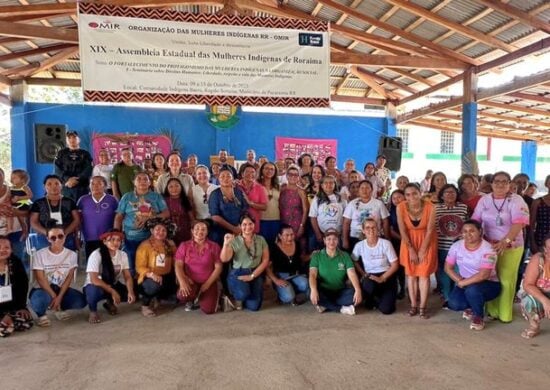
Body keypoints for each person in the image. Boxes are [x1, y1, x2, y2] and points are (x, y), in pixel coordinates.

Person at [472, 171, 529, 323]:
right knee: (491, 278)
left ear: (510, 184)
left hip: (512, 246)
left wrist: (506, 241)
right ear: (491, 183)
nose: (500, 184)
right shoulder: (484, 200)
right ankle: (492, 311)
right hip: (489, 246)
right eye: (497, 181)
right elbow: (476, 221)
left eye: (505, 181)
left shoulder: (517, 200)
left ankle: (504, 313)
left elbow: (519, 223)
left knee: (506, 280)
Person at [445, 220, 501, 331]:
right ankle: (471, 305)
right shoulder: (456, 246)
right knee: (454, 304)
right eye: (464, 231)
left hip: (489, 284)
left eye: (472, 231)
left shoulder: (489, 249)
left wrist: (463, 283)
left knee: (473, 290)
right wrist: (460, 280)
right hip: (465, 282)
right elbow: (448, 268)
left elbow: (483, 275)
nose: (468, 234)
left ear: (480, 231)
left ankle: (478, 316)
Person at [29, 222, 86, 327]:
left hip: (59, 287)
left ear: (65, 236)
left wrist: (60, 296)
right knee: (39, 300)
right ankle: (41, 315)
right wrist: (55, 296)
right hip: (43, 288)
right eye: (53, 237)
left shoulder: (72, 255)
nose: (57, 240)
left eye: (60, 236)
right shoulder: (39, 254)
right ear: (48, 239)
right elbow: (41, 279)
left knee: (80, 301)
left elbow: (69, 278)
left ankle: (59, 308)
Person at [114, 172, 169, 274]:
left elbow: (166, 213)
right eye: (139, 179)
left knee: (150, 266)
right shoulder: (127, 197)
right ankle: (133, 287)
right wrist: (117, 233)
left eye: (145, 179)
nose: (142, 181)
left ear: (149, 183)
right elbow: (119, 216)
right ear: (134, 182)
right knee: (130, 268)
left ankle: (148, 286)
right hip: (130, 238)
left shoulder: (156, 197)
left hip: (151, 238)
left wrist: (151, 217)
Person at [397, 183, 437, 319]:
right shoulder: (401, 207)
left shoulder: (430, 207)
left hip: (427, 240)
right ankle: (413, 305)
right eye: (407, 194)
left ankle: (422, 307)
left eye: (414, 193)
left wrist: (422, 250)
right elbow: (402, 230)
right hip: (408, 242)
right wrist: (412, 250)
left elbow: (431, 230)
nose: (411, 197)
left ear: (420, 193)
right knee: (411, 275)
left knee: (424, 275)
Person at [83, 229, 135, 324]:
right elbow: (94, 279)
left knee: (132, 293)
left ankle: (109, 302)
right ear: (104, 241)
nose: (115, 242)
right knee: (93, 293)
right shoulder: (96, 254)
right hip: (96, 285)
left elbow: (127, 276)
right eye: (112, 239)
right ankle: (93, 311)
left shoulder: (123, 255)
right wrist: (112, 291)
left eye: (118, 240)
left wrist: (130, 292)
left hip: (112, 283)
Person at [220, 214, 270, 311]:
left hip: (255, 272)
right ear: (240, 226)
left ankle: (246, 294)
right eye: (244, 224)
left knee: (254, 307)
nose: (248, 227)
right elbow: (224, 259)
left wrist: (252, 276)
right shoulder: (234, 240)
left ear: (254, 225)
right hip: (238, 272)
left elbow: (265, 260)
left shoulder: (261, 239)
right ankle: (238, 295)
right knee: (243, 294)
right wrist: (226, 244)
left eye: (250, 224)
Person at [352, 219, 399, 314]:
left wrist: (382, 277)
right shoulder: (359, 245)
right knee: (368, 284)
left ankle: (382, 298)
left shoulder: (386, 244)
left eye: (374, 227)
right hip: (370, 276)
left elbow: (395, 264)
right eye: (367, 228)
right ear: (363, 230)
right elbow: (354, 260)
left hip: (386, 275)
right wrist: (363, 273)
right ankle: (371, 298)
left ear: (378, 229)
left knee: (386, 310)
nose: (371, 230)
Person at [309, 229, 362, 315]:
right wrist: (314, 290)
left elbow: (351, 273)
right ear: (324, 240)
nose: (332, 242)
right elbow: (312, 275)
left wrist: (357, 289)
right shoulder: (316, 256)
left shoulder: (345, 255)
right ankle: (341, 308)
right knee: (312, 292)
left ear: (338, 240)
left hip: (340, 290)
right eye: (329, 239)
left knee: (354, 295)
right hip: (324, 290)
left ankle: (327, 305)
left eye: (334, 239)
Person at [175, 220, 222, 314]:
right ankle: (192, 299)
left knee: (209, 310)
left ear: (207, 232)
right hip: (190, 281)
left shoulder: (214, 246)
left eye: (203, 229)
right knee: (182, 296)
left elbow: (218, 267)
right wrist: (182, 281)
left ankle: (211, 294)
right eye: (197, 228)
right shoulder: (184, 245)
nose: (200, 231)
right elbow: (178, 265)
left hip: (208, 281)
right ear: (192, 231)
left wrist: (207, 284)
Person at [136, 218, 177, 317]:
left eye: (164, 230)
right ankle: (145, 305)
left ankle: (158, 298)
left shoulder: (171, 244)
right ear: (152, 231)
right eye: (158, 229)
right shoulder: (144, 245)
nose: (161, 232)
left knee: (178, 295)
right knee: (153, 286)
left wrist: (179, 276)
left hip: (166, 276)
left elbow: (176, 261)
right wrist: (151, 274)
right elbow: (139, 267)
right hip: (149, 278)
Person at [435, 184, 468, 305]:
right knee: (443, 272)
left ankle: (456, 295)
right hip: (441, 246)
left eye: (453, 192)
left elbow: (468, 224)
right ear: (442, 196)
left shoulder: (463, 207)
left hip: (459, 247)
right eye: (447, 192)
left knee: (458, 271)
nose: (450, 194)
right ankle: (447, 295)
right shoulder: (436, 208)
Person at [30, 175, 80, 250]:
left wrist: (64, 234)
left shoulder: (69, 201)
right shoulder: (38, 203)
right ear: (44, 187)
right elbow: (33, 222)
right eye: (49, 184)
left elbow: (76, 220)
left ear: (61, 186)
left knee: (66, 260)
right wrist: (47, 233)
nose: (53, 187)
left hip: (66, 238)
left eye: (57, 184)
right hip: (45, 238)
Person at [266, 224, 309, 305]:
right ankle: (283, 293)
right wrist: (276, 280)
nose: (290, 237)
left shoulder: (297, 243)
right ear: (280, 236)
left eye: (292, 234)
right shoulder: (273, 247)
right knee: (288, 297)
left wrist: (311, 256)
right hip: (281, 277)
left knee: (305, 284)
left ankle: (292, 290)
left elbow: (301, 258)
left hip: (295, 275)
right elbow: (267, 267)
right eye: (286, 235)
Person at [342, 180, 390, 253]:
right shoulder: (352, 204)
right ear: (359, 190)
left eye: (367, 188)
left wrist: (387, 238)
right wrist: (345, 239)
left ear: (371, 190)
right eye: (362, 188)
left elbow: (385, 222)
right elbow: (346, 222)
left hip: (374, 237)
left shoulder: (379, 204)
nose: (365, 190)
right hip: (355, 238)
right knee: (356, 261)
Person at [0, 236, 33, 337]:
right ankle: (5, 323)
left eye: (6, 247)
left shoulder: (15, 262)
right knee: (5, 330)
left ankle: (6, 322)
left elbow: (23, 286)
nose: (2, 250)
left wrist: (22, 307)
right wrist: (2, 315)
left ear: (11, 250)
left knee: (26, 322)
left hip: (12, 306)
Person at [77, 176, 118, 258]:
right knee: (92, 265)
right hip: (89, 238)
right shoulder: (83, 200)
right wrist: (78, 237)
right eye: (92, 183)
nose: (95, 186)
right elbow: (78, 220)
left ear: (105, 186)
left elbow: (118, 218)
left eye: (99, 183)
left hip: (108, 239)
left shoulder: (112, 200)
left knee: (107, 265)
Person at [518, 234, 550, 339]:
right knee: (528, 300)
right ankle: (534, 325)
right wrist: (545, 301)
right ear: (545, 249)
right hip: (540, 294)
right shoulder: (538, 259)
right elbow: (528, 285)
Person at [208, 168, 248, 245]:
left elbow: (244, 210)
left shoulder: (238, 192)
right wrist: (233, 229)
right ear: (218, 179)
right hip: (220, 231)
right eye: (222, 176)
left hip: (240, 228)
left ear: (232, 178)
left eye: (228, 176)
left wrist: (241, 226)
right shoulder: (215, 194)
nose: (225, 178)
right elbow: (215, 216)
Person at [54, 130, 93, 202]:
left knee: (80, 210)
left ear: (79, 139)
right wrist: (68, 179)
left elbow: (88, 169)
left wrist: (77, 179)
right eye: (69, 138)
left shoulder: (85, 154)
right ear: (66, 140)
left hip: (81, 187)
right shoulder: (61, 153)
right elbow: (57, 169)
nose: (72, 140)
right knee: (66, 209)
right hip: (66, 187)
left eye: (74, 137)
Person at [309, 175, 347, 249]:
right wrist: (318, 234)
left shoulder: (341, 198)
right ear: (322, 185)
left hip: (338, 234)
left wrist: (342, 233)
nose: (328, 185)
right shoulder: (317, 199)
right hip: (322, 234)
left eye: (331, 183)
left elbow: (346, 217)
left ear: (335, 184)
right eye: (326, 183)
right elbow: (313, 217)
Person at [279, 165, 308, 249]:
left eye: (296, 175)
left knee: (297, 246)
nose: (293, 177)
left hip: (297, 223)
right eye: (290, 174)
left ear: (298, 177)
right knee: (283, 245)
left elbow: (305, 210)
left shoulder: (301, 191)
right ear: (287, 176)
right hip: (283, 221)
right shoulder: (282, 188)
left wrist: (302, 226)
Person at [236, 163, 267, 232]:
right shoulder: (236, 186)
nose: (250, 174)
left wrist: (250, 203)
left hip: (253, 224)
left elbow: (264, 207)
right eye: (247, 171)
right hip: (236, 224)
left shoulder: (260, 188)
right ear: (242, 174)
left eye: (253, 172)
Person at [163, 178, 193, 246]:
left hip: (185, 232)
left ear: (181, 187)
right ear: (167, 188)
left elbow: (192, 218)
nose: (174, 189)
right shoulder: (163, 201)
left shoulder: (186, 200)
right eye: (171, 186)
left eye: (177, 186)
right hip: (168, 234)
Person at [388, 189, 406, 299]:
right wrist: (403, 239)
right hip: (396, 241)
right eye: (394, 198)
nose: (396, 200)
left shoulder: (410, 209)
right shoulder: (391, 211)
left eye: (399, 197)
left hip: (410, 241)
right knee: (397, 266)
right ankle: (398, 288)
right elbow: (389, 229)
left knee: (405, 267)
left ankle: (405, 288)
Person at [258, 162, 281, 243]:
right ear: (262, 170)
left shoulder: (278, 186)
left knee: (274, 245)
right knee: (262, 245)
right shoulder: (256, 185)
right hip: (261, 220)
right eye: (266, 168)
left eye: (272, 169)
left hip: (276, 219)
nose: (269, 171)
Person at [530, 175, 550, 254]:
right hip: (540, 238)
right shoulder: (538, 202)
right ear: (546, 184)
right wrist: (532, 242)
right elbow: (531, 224)